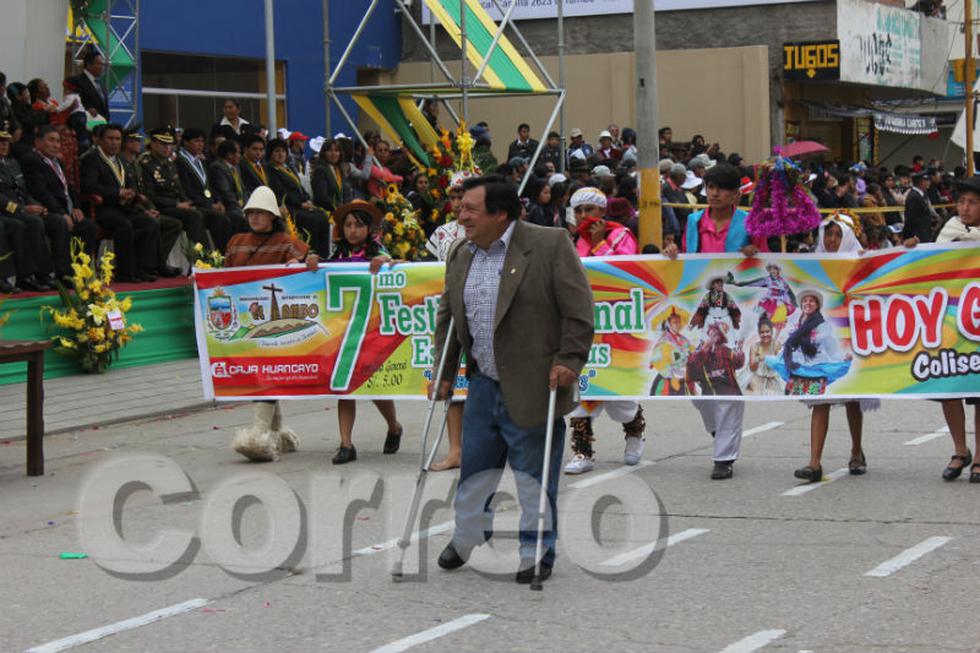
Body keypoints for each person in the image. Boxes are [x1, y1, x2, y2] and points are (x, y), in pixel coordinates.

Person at [431, 174, 593, 584]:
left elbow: (579, 310)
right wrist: (444, 372)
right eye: (461, 206)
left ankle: (535, 550)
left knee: (532, 479)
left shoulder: (549, 244)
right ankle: (467, 536)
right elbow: (449, 319)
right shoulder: (460, 253)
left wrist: (569, 358)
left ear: (500, 214)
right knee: (474, 474)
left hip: (536, 383)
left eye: (470, 208)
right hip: (483, 382)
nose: (460, 214)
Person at [664, 163, 764, 480]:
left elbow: (769, 265)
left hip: (739, 316)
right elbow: (688, 262)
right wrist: (672, 254)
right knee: (695, 382)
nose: (714, 193)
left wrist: (756, 251)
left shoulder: (749, 223)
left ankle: (724, 456)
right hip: (701, 310)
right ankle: (718, 431)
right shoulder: (693, 221)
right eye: (710, 187)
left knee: (727, 384)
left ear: (736, 193)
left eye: (721, 187)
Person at [785, 215, 877, 483]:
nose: (831, 240)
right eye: (827, 234)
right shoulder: (813, 264)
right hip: (824, 338)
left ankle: (856, 450)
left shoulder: (860, 261)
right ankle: (814, 462)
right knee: (820, 399)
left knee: (852, 398)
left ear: (847, 236)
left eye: (837, 235)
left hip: (851, 335)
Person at [225, 186, 315, 462]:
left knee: (265, 374)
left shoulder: (287, 242)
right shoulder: (236, 240)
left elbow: (304, 263)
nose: (254, 217)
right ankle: (279, 435)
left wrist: (309, 261)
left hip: (276, 322)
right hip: (244, 319)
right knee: (263, 373)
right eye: (251, 212)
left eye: (261, 212)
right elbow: (224, 272)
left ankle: (259, 435)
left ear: (272, 215)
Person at [561, 187, 644, 474]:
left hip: (617, 325)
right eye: (580, 210)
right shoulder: (571, 241)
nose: (585, 216)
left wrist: (597, 244)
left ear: (601, 211)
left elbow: (624, 272)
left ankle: (634, 431)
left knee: (620, 397)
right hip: (584, 326)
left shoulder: (620, 234)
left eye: (590, 210)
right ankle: (583, 453)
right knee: (581, 390)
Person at [326, 200, 403, 464]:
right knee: (344, 385)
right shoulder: (336, 255)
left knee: (374, 386)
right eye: (347, 225)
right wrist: (309, 263)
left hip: (372, 328)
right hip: (343, 330)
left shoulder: (378, 251)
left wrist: (386, 261)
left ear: (369, 228)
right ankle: (346, 444)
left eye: (358, 225)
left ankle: (394, 426)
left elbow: (400, 268)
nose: (352, 231)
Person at [931, 176, 980, 482]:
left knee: (978, 392)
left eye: (973, 202)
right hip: (949, 322)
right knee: (949, 388)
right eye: (961, 201)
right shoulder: (946, 232)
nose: (965, 208)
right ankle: (960, 450)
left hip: (977, 323)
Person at [79, 123, 164, 282]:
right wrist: (117, 192)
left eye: (117, 139)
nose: (114, 142)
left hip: (125, 207)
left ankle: (143, 269)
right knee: (124, 225)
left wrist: (134, 195)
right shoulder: (92, 159)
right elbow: (89, 186)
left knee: (149, 223)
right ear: (100, 140)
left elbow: (130, 182)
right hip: (103, 209)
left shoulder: (121, 159)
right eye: (110, 138)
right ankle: (125, 273)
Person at [21, 125, 97, 267]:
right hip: (45, 209)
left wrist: (75, 207)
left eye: (58, 141)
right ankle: (63, 273)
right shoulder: (32, 160)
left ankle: (81, 270)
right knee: (60, 222)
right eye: (51, 140)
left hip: (65, 209)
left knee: (87, 225)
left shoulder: (57, 162)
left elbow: (69, 188)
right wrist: (62, 213)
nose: (56, 145)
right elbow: (41, 193)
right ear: (38, 142)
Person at [0, 129, 67, 289]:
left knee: (54, 220)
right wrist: (22, 209)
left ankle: (53, 274)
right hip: (7, 211)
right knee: (29, 223)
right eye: (0, 142)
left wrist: (38, 206)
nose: (4, 145)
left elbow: (23, 190)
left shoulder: (12, 163)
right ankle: (28, 275)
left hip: (21, 208)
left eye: (6, 142)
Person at [176, 127, 247, 253]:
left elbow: (209, 186)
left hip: (209, 202)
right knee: (220, 218)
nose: (200, 144)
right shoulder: (180, 161)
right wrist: (210, 204)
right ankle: (213, 255)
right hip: (196, 203)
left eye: (202, 141)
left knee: (227, 217)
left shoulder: (200, 161)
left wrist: (218, 201)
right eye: (196, 141)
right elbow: (187, 190)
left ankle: (235, 253)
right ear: (185, 142)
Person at [267, 138, 331, 257]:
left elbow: (300, 187)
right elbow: (281, 191)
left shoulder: (288, 168)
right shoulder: (270, 170)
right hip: (289, 206)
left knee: (321, 216)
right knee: (310, 219)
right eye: (277, 151)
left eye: (283, 151)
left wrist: (307, 199)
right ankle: (308, 253)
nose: (281, 154)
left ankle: (323, 254)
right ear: (271, 153)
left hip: (301, 204)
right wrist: (300, 204)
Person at [725, 262, 796, 336]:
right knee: (760, 315)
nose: (772, 271)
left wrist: (794, 302)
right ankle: (756, 331)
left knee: (779, 319)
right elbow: (753, 282)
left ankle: (779, 334)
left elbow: (789, 292)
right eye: (770, 269)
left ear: (778, 270)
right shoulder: (767, 280)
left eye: (774, 269)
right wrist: (739, 284)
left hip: (780, 303)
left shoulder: (782, 282)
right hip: (769, 302)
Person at [649, 307, 695, 396]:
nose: (677, 325)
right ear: (669, 324)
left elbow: (693, 354)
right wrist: (672, 375)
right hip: (667, 380)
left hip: (684, 380)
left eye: (679, 322)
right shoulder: (664, 341)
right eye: (674, 322)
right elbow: (656, 360)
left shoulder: (684, 340)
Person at [66, 48, 109, 122]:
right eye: (99, 64)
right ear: (89, 65)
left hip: (101, 126)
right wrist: (86, 109)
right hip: (85, 124)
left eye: (102, 64)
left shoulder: (100, 84)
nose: (101, 67)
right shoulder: (75, 81)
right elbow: (71, 103)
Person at [208, 139, 247, 221]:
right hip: (227, 207)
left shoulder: (236, 167)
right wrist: (241, 209)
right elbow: (226, 193)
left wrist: (248, 206)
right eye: (238, 153)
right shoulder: (217, 168)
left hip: (239, 206)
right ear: (229, 155)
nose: (240, 156)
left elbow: (243, 190)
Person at [310, 138, 350, 213]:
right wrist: (339, 209)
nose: (333, 154)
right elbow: (322, 197)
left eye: (336, 151)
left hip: (341, 211)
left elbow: (344, 193)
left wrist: (347, 208)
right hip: (327, 212)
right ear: (324, 153)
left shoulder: (339, 169)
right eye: (330, 150)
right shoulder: (320, 170)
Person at [745, 316, 782, 395]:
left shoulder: (776, 345)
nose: (765, 334)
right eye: (762, 332)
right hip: (757, 381)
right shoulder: (754, 347)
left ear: (772, 331)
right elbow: (752, 368)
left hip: (773, 381)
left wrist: (768, 358)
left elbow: (780, 365)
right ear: (759, 333)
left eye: (767, 331)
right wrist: (758, 359)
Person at [902, 170, 936, 245]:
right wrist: (908, 236)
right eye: (926, 180)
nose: (928, 182)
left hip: (924, 234)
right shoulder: (914, 197)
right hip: (917, 236)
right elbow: (910, 218)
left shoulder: (922, 194)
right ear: (920, 182)